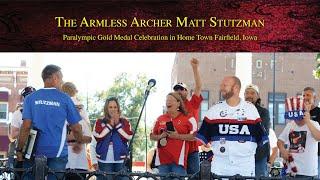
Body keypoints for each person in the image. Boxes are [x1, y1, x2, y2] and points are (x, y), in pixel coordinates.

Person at [16, 64, 84, 180]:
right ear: (55, 77)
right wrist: (79, 142)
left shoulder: (30, 98)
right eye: (61, 78)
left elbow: (26, 126)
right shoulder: (65, 98)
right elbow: (76, 128)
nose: (62, 82)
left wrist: (20, 149)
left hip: (33, 151)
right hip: (57, 152)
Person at [196, 76, 268, 177]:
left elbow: (262, 139)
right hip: (220, 167)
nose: (221, 88)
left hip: (244, 167)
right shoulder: (214, 110)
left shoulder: (251, 110)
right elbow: (201, 139)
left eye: (225, 85)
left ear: (236, 88)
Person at [150, 92, 197, 179]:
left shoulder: (189, 118)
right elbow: (151, 136)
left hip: (178, 162)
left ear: (178, 103)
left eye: (171, 100)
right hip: (162, 162)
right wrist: (161, 136)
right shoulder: (160, 119)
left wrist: (177, 136)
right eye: (167, 100)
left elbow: (195, 136)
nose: (168, 102)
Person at [173, 58, 202, 175]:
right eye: (176, 89)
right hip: (176, 149)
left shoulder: (192, 104)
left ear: (187, 92)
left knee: (194, 177)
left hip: (192, 150)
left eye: (182, 89)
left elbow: (199, 87)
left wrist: (195, 68)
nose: (179, 91)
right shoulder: (171, 107)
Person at [92, 96, 133, 180]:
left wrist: (117, 124)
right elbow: (98, 137)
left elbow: (128, 137)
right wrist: (110, 125)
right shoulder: (100, 121)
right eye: (110, 107)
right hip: (104, 161)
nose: (113, 109)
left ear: (118, 108)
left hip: (121, 161)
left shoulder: (125, 122)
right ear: (106, 108)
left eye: (115, 107)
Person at [277, 101, 320, 178]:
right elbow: (280, 141)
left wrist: (308, 122)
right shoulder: (290, 125)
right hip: (291, 172)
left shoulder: (314, 124)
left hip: (308, 173)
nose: (296, 120)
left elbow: (318, 137)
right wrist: (283, 150)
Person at [62, 82, 92, 180]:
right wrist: (79, 140)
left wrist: (77, 140)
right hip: (72, 160)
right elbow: (89, 137)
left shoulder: (81, 110)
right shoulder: (81, 110)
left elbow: (89, 137)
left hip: (71, 160)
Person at [244, 84, 270, 177]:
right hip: (243, 155)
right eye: (247, 93)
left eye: (252, 93)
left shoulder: (264, 112)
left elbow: (263, 131)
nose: (249, 96)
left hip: (259, 154)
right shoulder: (239, 110)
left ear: (258, 96)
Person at [302, 87, 320, 177]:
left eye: (308, 95)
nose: (305, 97)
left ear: (314, 97)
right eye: (303, 95)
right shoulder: (300, 113)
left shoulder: (319, 112)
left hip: (317, 156)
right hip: (302, 156)